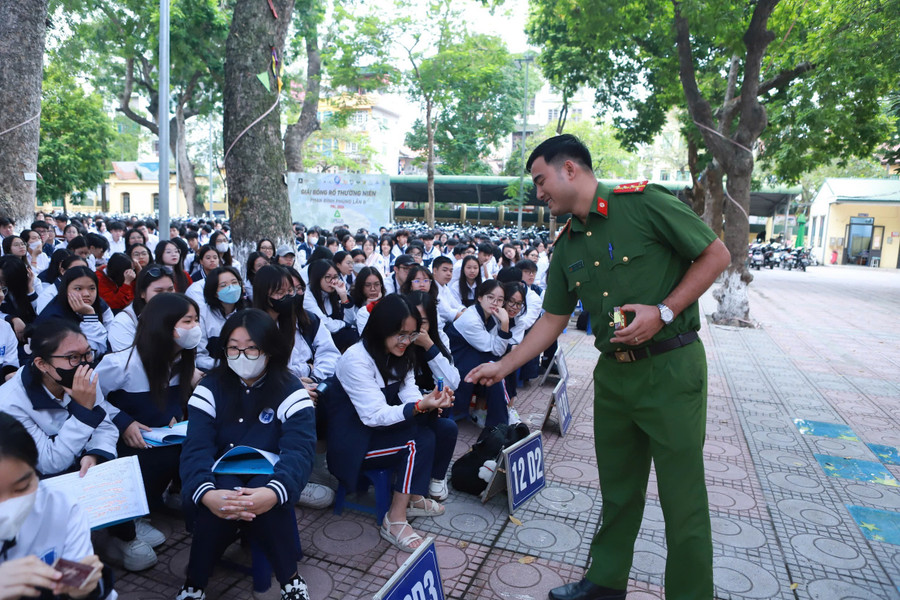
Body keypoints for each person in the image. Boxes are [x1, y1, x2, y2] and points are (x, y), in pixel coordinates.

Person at [467, 134, 731, 600]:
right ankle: (606, 582)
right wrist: (503, 365)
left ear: (570, 169)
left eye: (541, 180)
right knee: (618, 492)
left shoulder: (644, 204)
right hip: (614, 376)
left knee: (682, 500)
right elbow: (551, 321)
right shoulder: (567, 243)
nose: (539, 192)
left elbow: (716, 254)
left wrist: (664, 311)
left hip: (671, 369)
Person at [177, 309, 315, 600]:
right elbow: (196, 447)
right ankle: (195, 584)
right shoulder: (210, 387)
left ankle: (290, 580)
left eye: (252, 347)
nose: (242, 355)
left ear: (269, 348)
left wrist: (275, 492)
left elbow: (299, 451)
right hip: (222, 469)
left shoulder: (291, 389)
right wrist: (205, 493)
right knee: (221, 499)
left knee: (264, 499)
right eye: (233, 348)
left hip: (269, 470)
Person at [325, 295, 455, 552]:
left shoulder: (401, 353)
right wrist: (419, 407)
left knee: (442, 428)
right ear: (381, 328)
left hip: (380, 432)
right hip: (353, 444)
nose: (407, 342)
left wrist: (428, 402)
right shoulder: (357, 359)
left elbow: (409, 390)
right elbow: (373, 415)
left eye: (412, 334)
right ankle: (394, 519)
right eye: (400, 334)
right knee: (415, 442)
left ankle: (415, 497)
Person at [94, 293, 203, 571]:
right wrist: (123, 422)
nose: (194, 328)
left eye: (196, 320)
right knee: (151, 459)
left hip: (161, 437)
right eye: (187, 321)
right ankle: (126, 523)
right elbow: (90, 400)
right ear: (163, 325)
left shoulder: (182, 363)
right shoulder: (121, 364)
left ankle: (159, 501)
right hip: (127, 443)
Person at [0, 413, 114, 600]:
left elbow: (83, 578)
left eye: (22, 487)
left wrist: (87, 589)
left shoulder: (61, 507)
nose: (7, 507)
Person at [0, 319, 118, 477]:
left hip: (88, 475)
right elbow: (48, 462)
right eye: (73, 357)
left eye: (88, 353)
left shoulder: (84, 377)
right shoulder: (9, 403)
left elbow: (105, 427)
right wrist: (83, 413)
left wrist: (95, 453)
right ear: (42, 364)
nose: (84, 365)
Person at [445, 280, 510, 428]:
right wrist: (505, 323)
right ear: (480, 297)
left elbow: (497, 347)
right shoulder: (471, 319)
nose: (495, 303)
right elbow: (497, 349)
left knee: (501, 364)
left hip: (471, 356)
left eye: (500, 300)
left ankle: (497, 418)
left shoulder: (492, 315)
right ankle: (500, 421)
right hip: (455, 359)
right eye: (491, 297)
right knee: (496, 366)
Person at [35, 267, 113, 358]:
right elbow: (86, 356)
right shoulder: (54, 317)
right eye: (78, 288)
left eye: (92, 288)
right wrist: (89, 316)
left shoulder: (99, 305)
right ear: (65, 290)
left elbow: (108, 343)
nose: (86, 294)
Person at [107, 266, 176, 352]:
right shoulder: (123, 322)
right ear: (142, 293)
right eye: (159, 291)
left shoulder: (179, 313)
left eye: (170, 289)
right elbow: (127, 361)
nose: (167, 296)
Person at [195, 266, 249, 371]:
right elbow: (199, 356)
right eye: (223, 285)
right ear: (214, 291)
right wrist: (227, 365)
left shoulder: (247, 313)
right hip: (214, 371)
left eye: (234, 283)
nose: (231, 288)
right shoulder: (202, 314)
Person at [303, 259, 358, 353]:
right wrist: (344, 325)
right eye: (328, 277)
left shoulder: (334, 292)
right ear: (317, 277)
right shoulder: (307, 295)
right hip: (315, 341)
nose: (332, 282)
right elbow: (325, 324)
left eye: (335, 277)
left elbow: (351, 321)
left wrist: (343, 295)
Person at [349, 266, 384, 335]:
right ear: (360, 286)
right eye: (368, 285)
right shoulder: (351, 301)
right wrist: (368, 307)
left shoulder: (386, 302)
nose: (373, 289)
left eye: (377, 284)